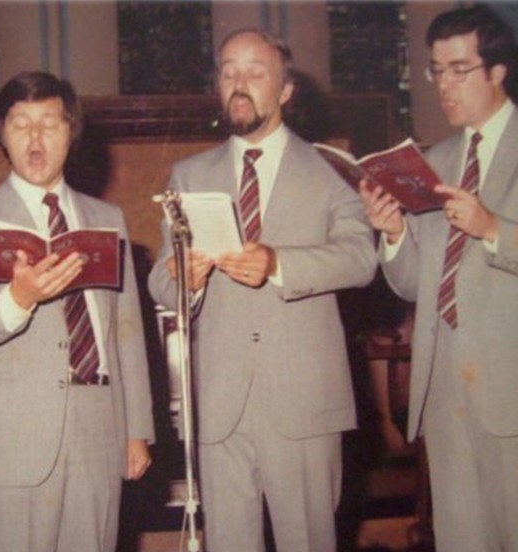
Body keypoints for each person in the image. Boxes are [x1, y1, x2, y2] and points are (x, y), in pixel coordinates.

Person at [148, 28, 377, 552]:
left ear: (287, 90)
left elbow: (362, 257)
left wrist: (279, 264)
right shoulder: (188, 174)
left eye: (255, 72)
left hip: (304, 404)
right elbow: (161, 280)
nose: (239, 84)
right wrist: (185, 278)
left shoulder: (331, 169)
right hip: (220, 406)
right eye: (229, 72)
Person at [0, 71, 154, 552]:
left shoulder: (107, 220)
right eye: (21, 125)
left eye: (49, 124)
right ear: (3, 136)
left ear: (70, 134)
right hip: (12, 435)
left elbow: (126, 332)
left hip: (98, 427)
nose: (36, 139)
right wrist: (19, 299)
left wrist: (136, 428)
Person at [358, 6, 518, 552]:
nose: (445, 86)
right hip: (446, 392)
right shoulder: (435, 159)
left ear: (498, 70)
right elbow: (416, 284)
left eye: (460, 69)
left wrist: (493, 228)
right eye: (437, 71)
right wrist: (393, 235)